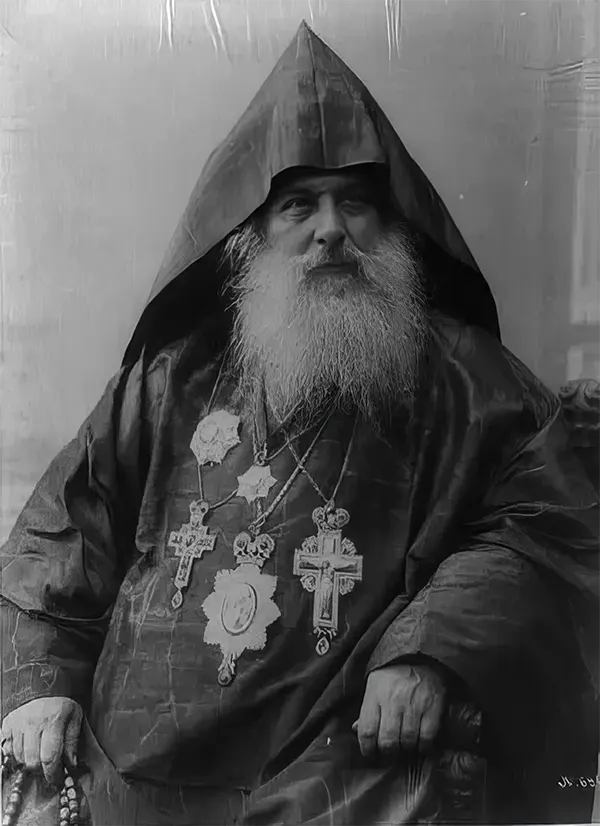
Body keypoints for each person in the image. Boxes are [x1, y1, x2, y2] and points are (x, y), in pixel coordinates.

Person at [2, 20, 600, 826]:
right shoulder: (172, 377)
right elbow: (61, 529)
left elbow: (550, 519)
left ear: (394, 231)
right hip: (129, 769)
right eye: (299, 205)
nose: (330, 230)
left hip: (341, 766)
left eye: (356, 203)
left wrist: (432, 648)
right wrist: (40, 682)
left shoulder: (462, 376)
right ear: (251, 237)